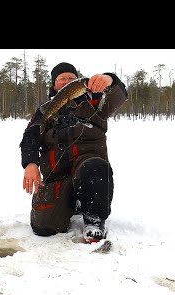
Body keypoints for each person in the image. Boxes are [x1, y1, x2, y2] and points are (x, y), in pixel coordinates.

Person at [19, 62, 128, 243]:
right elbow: (30, 137)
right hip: (57, 173)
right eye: (62, 79)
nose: (67, 81)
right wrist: (30, 163)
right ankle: (71, 201)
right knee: (44, 227)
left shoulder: (95, 100)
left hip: (88, 164)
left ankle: (94, 220)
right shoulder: (45, 110)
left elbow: (119, 94)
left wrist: (109, 79)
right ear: (54, 84)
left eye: (71, 78)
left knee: (94, 168)